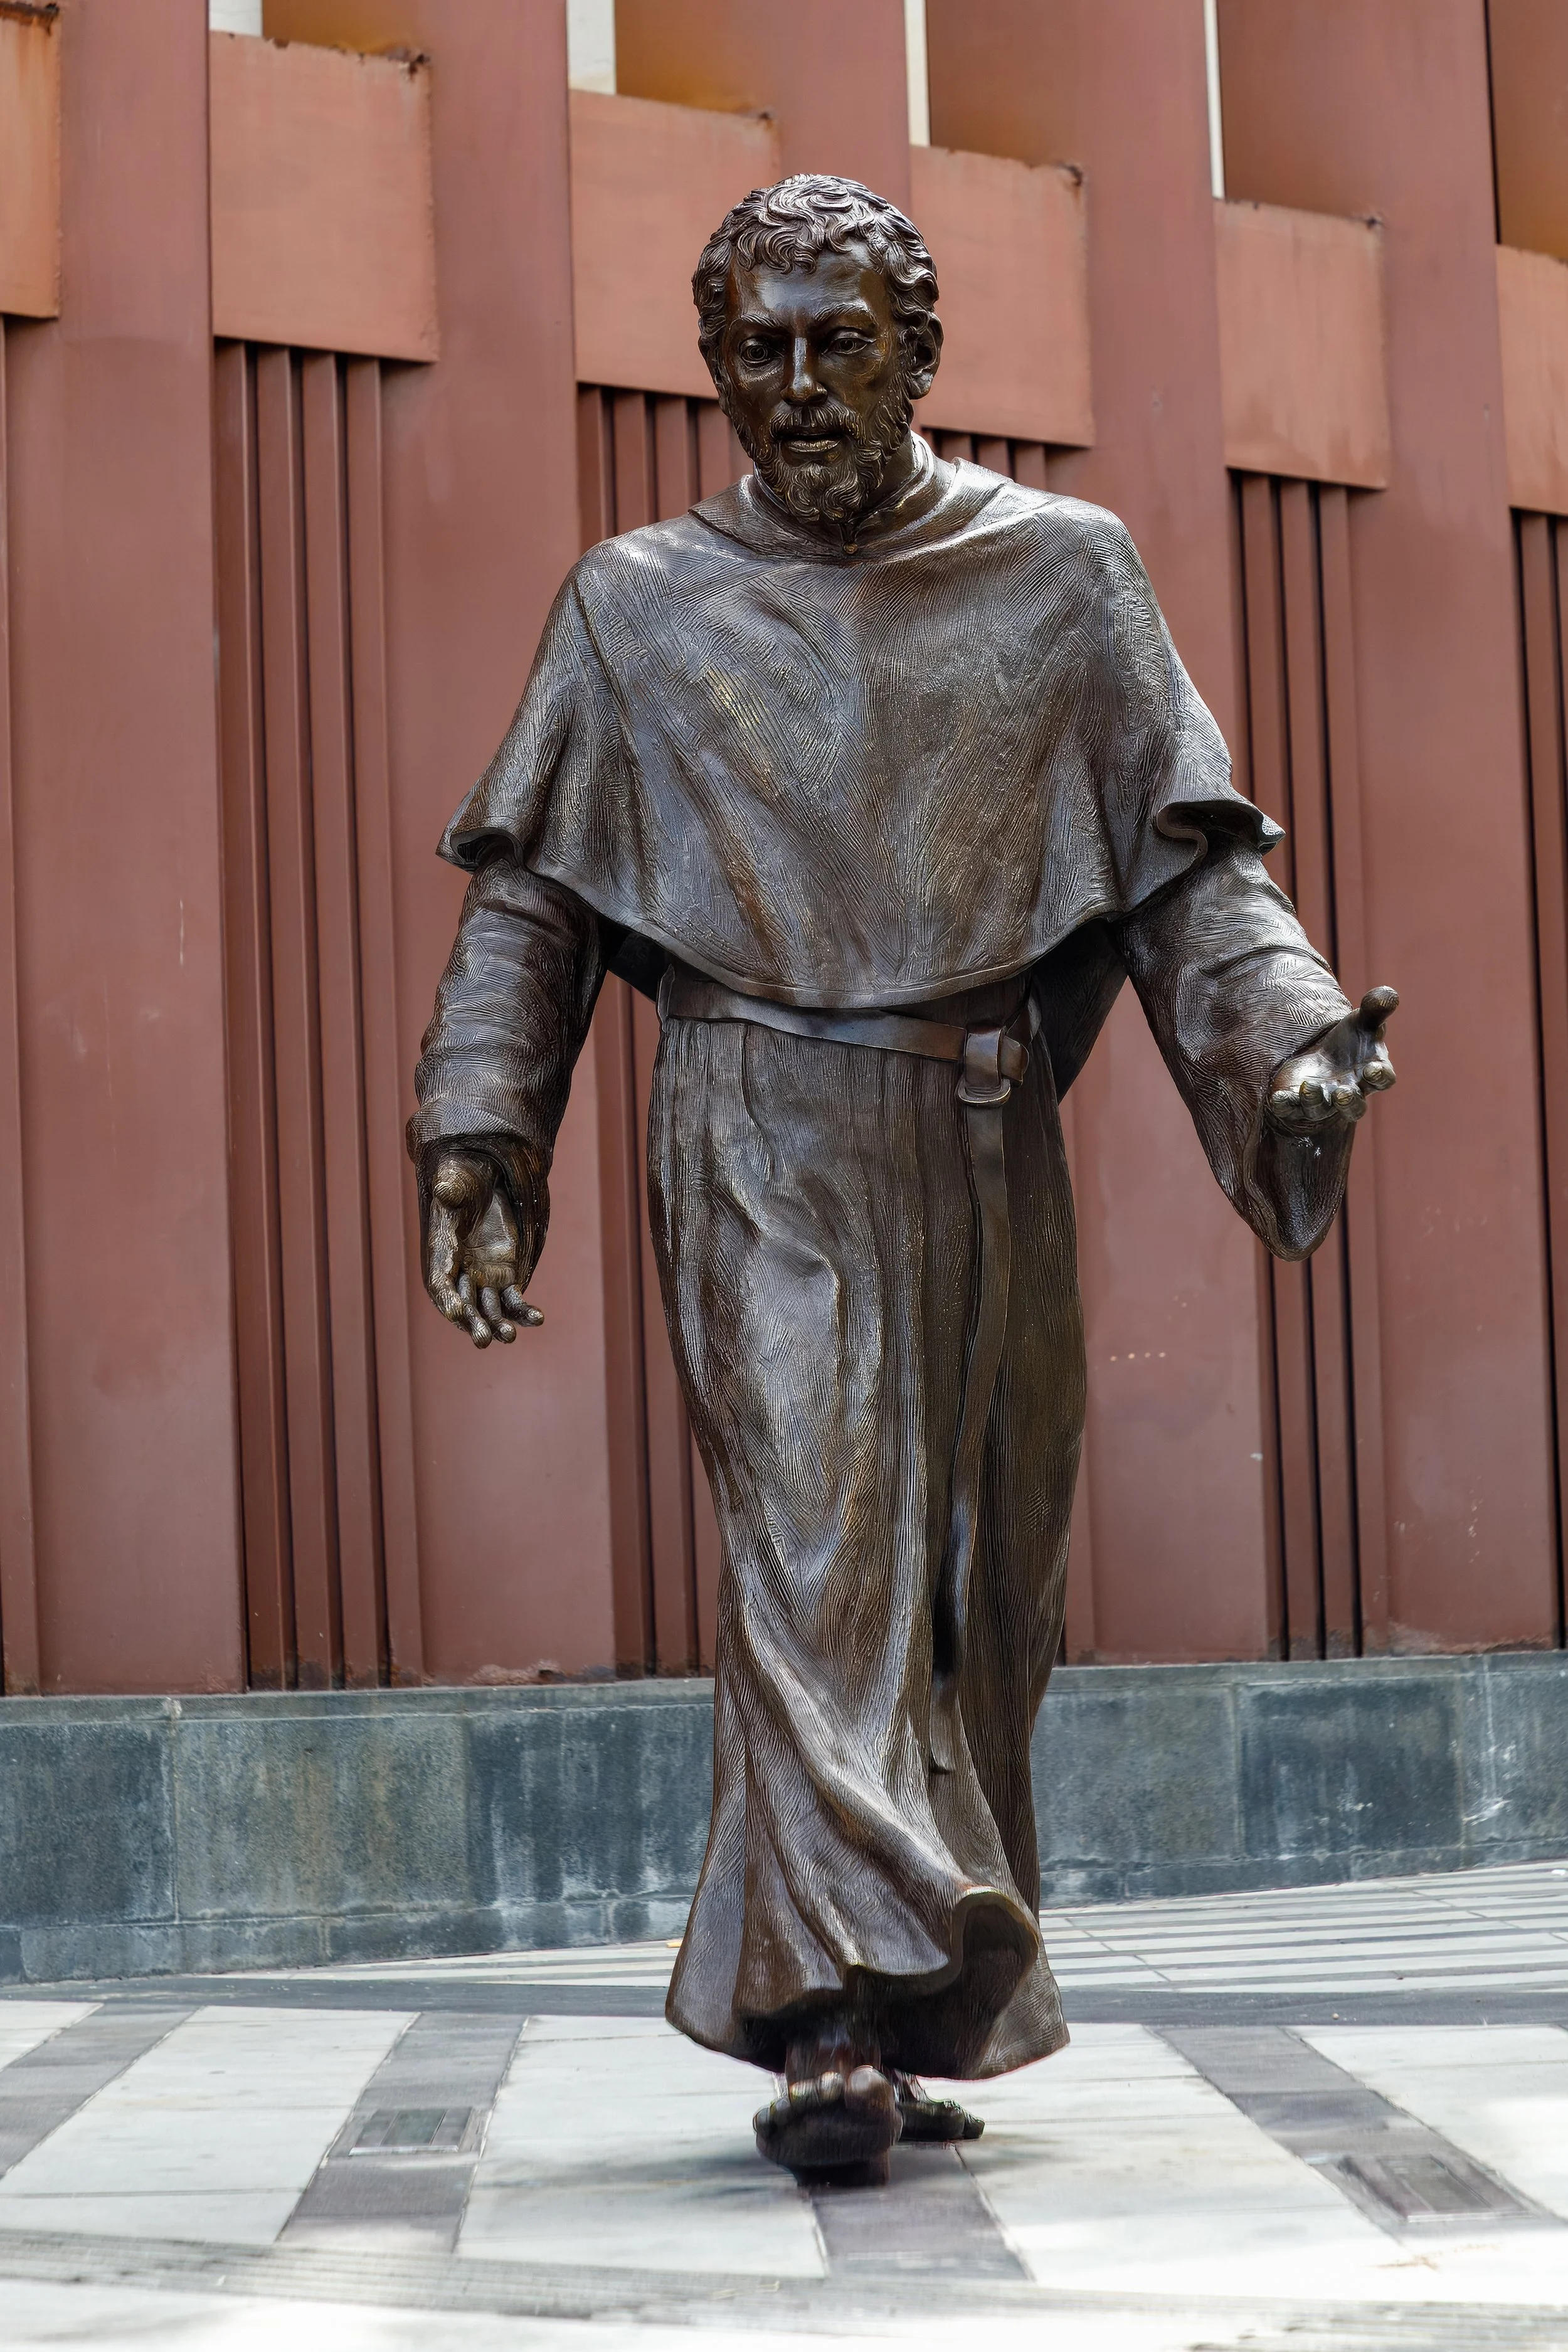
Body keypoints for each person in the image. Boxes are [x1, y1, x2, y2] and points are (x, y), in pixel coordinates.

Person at [408, 175, 1397, 2184]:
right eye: (753, 349)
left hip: (978, 1134)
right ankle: (836, 2027)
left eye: (833, 340)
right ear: (712, 366)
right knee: (810, 1554)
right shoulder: (636, 604)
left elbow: (1196, 871)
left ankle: (921, 1986)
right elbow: (534, 899)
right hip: (756, 1127)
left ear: (918, 351)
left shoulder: (1063, 578)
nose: (793, 386)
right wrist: (481, 1121)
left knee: (973, 1598)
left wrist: (1282, 1040)